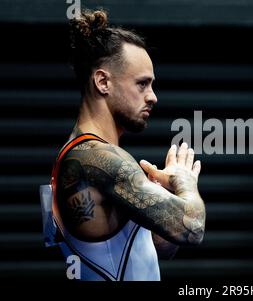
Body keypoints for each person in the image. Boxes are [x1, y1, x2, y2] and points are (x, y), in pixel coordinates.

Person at [40, 9, 206, 281]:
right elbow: (193, 227)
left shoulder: (81, 156)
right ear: (103, 82)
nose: (153, 97)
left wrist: (166, 195)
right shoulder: (93, 159)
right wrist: (185, 183)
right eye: (142, 84)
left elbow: (159, 248)